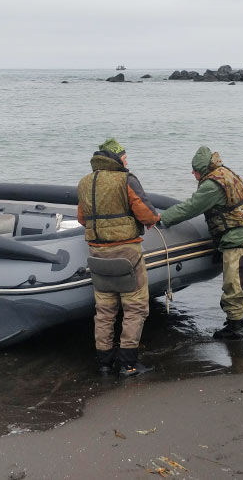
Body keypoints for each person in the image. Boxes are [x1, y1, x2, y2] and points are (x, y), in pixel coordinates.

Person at [158, 146, 243, 340]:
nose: (192, 173)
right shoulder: (224, 172)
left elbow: (190, 208)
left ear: (203, 169)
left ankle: (235, 327)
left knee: (235, 283)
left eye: (195, 170)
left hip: (238, 238)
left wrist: (162, 217)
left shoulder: (212, 186)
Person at [77, 138, 160, 376]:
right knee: (135, 308)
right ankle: (128, 363)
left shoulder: (84, 182)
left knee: (104, 310)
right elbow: (145, 213)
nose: (126, 160)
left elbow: (82, 219)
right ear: (115, 158)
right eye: (124, 157)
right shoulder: (126, 179)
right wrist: (153, 220)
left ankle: (104, 363)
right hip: (126, 253)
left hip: (97, 252)